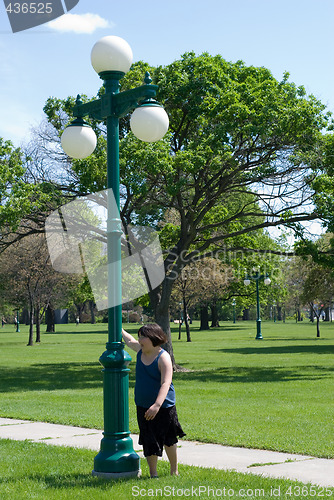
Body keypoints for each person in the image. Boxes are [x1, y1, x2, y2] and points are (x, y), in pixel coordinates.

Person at [122, 323, 185, 478]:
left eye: (143, 336)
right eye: (139, 336)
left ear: (154, 338)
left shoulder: (163, 357)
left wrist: (157, 405)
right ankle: (153, 474)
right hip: (143, 405)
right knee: (149, 439)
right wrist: (119, 329)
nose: (140, 339)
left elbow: (166, 383)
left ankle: (174, 470)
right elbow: (129, 341)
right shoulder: (140, 351)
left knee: (169, 439)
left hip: (164, 406)